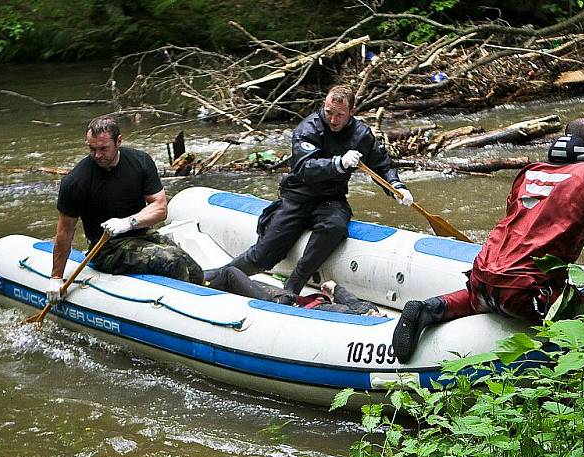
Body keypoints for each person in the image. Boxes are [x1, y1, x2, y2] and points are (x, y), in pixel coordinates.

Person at [392, 118, 584, 363]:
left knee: (479, 296)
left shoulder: (529, 173)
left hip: (484, 273)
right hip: (528, 290)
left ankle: (432, 308)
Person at [206, 85, 414, 299]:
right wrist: (338, 164)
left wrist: (396, 186)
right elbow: (305, 168)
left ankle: (294, 285)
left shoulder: (361, 134)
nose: (333, 119)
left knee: (334, 226)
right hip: (298, 197)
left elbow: (382, 166)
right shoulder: (309, 128)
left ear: (352, 112)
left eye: (339, 115)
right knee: (264, 254)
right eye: (329, 112)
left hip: (330, 198)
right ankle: (216, 277)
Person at [46, 115, 203, 303]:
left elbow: (160, 208)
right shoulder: (76, 181)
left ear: (118, 141)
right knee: (172, 260)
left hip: (140, 233)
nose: (97, 155)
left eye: (103, 149)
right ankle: (182, 309)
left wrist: (128, 223)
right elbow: (65, 231)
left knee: (194, 270)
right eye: (92, 149)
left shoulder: (140, 161)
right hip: (106, 248)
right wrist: (56, 277)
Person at [208, 266, 383, 316]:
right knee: (249, 281)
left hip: (280, 308)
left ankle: (196, 290)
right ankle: (203, 277)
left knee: (231, 274)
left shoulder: (354, 322)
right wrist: (335, 288)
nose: (376, 315)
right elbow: (353, 301)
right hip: (292, 299)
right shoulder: (367, 309)